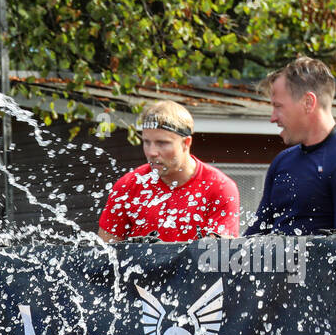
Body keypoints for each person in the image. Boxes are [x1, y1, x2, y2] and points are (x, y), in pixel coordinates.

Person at [246, 56, 336, 234]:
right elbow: (255, 237)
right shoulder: (282, 161)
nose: (273, 117)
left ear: (308, 102)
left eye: (278, 106)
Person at [98, 101, 240, 242]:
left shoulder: (220, 187)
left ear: (186, 143)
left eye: (162, 143)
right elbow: (104, 255)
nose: (152, 152)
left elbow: (217, 257)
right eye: (147, 142)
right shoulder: (128, 185)